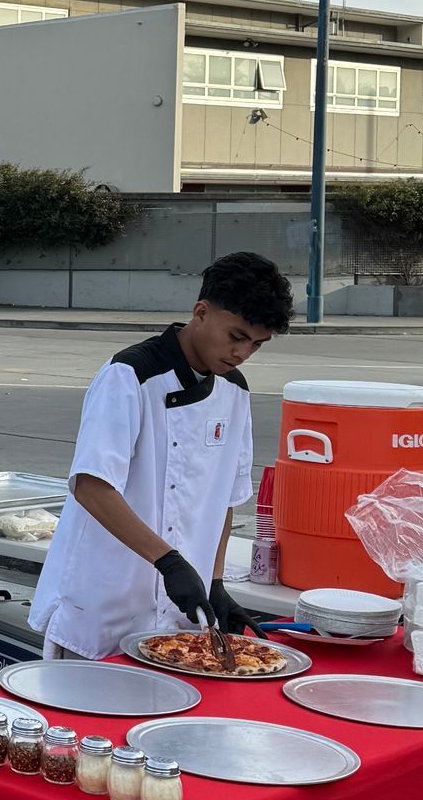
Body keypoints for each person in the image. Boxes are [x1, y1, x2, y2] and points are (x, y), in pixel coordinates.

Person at [29, 251, 293, 664]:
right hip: (104, 605)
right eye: (236, 336)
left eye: (256, 345)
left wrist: (215, 581)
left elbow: (226, 496)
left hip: (182, 616)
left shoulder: (235, 392)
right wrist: (168, 561)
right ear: (201, 312)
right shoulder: (131, 374)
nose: (242, 353)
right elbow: (92, 486)